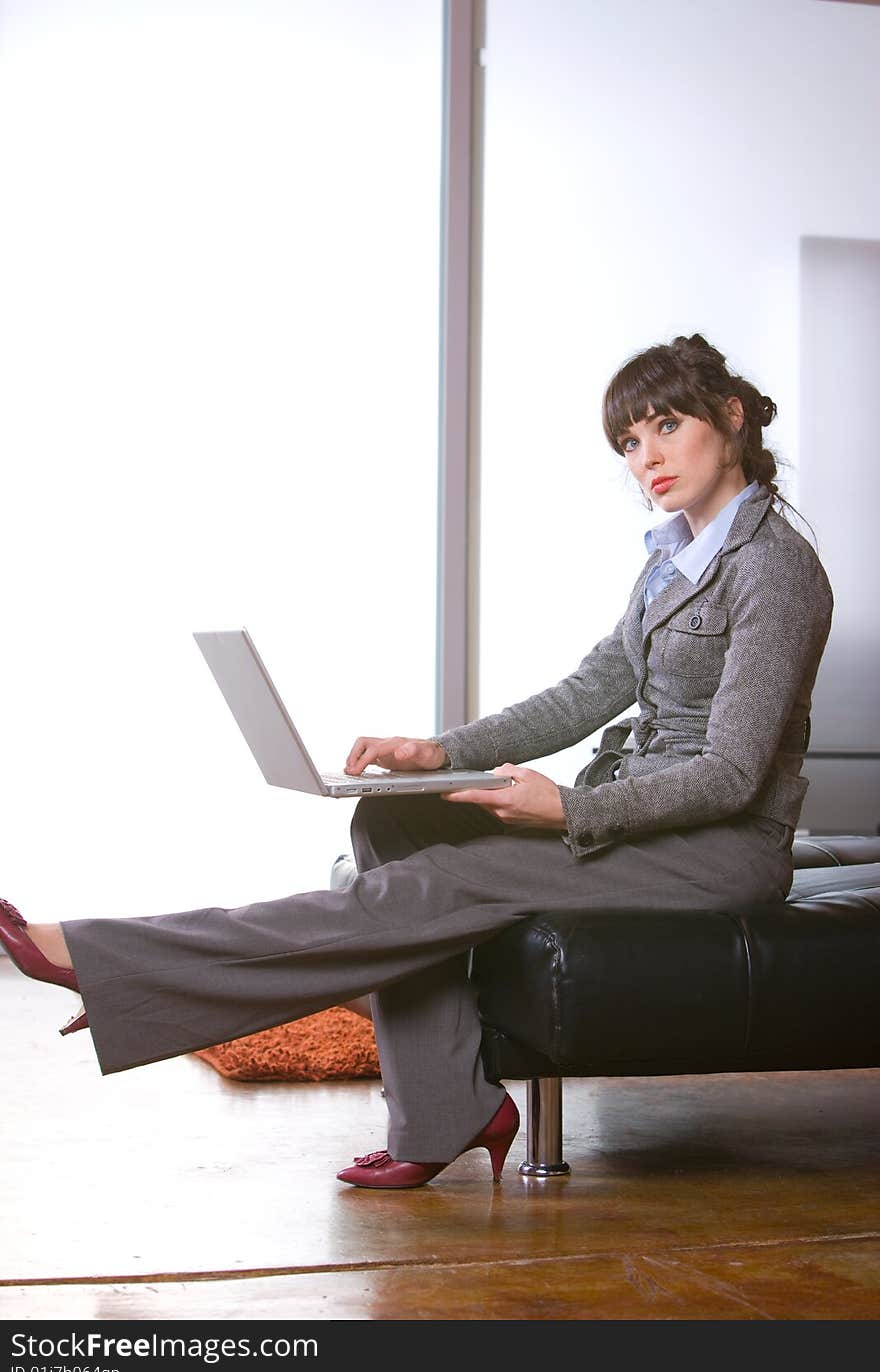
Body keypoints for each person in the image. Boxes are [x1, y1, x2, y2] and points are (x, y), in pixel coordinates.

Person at [0, 332, 834, 1190]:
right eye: (629, 442)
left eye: (666, 425)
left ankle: (104, 959)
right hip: (641, 813)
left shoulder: (773, 568)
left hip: (719, 852)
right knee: (394, 816)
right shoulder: (671, 560)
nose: (646, 458)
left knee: (434, 887)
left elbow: (734, 774)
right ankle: (447, 1108)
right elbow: (590, 689)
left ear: (729, 416)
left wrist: (570, 812)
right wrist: (442, 752)